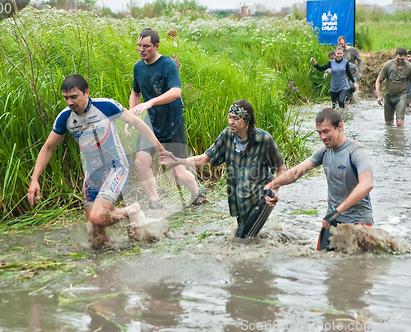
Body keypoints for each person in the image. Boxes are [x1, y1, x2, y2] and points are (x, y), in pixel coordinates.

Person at [27, 74, 164, 248]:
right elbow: (48, 147)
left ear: (86, 93)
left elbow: (137, 123)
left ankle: (132, 211)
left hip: (116, 167)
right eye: (66, 98)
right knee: (96, 237)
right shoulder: (65, 118)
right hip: (91, 173)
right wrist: (34, 179)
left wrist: (160, 148)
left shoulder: (105, 106)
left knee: (97, 216)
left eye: (74, 97)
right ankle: (110, 265)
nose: (69, 102)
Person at [162, 100, 286, 239]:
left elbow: (281, 168)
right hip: (240, 199)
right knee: (247, 238)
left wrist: (274, 190)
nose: (231, 122)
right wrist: (179, 161)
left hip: (263, 198)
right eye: (229, 117)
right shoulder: (227, 135)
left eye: (236, 118)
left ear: (247, 121)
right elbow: (204, 159)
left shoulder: (264, 139)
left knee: (240, 240)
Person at [264, 108, 374, 251]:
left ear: (340, 127)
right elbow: (297, 171)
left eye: (326, 131)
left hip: (358, 223)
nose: (322, 137)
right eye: (319, 133)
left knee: (355, 272)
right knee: (324, 263)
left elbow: (367, 184)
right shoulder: (324, 152)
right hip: (332, 221)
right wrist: (271, 185)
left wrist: (338, 211)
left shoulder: (356, 151)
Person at [125, 28, 205, 209]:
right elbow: (135, 93)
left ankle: (196, 192)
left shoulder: (167, 65)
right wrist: (131, 116)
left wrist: (150, 102)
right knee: (141, 162)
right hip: (151, 122)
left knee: (176, 170)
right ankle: (156, 203)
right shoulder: (138, 67)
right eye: (139, 46)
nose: (141, 50)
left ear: (156, 46)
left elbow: (176, 92)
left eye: (146, 46)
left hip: (171, 121)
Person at [375, 48, 411, 127]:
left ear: (405, 58)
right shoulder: (389, 65)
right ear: (395, 57)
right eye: (398, 60)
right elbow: (378, 81)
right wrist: (379, 95)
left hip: (401, 97)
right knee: (388, 124)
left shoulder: (410, 67)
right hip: (388, 97)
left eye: (402, 60)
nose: (400, 62)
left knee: (400, 123)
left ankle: (400, 138)